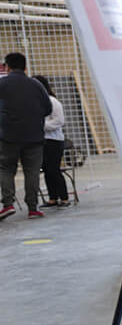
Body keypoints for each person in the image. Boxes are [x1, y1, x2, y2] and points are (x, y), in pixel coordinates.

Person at [0, 51, 51, 221]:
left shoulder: (2, 84)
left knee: (6, 169)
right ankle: (33, 208)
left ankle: (8, 204)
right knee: (32, 172)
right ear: (25, 66)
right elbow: (48, 108)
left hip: (8, 136)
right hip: (34, 136)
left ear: (6, 67)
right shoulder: (36, 85)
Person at [34, 75, 69, 207]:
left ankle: (64, 197)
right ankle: (52, 198)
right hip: (41, 140)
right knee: (47, 170)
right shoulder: (36, 101)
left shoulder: (53, 101)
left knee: (54, 169)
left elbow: (59, 121)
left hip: (54, 140)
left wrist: (41, 125)